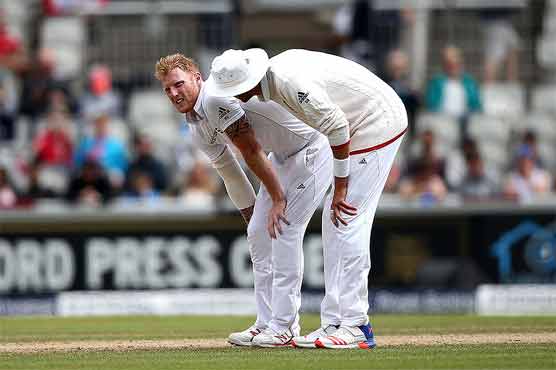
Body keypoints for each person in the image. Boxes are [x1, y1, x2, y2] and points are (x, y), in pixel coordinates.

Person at [207, 48, 407, 349]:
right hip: (359, 122)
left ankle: (356, 324)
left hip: (376, 121)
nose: (233, 98)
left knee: (346, 216)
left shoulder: (289, 83)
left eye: (234, 91)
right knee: (333, 219)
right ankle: (334, 322)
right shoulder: (273, 81)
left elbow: (338, 128)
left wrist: (340, 188)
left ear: (247, 84)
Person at [155, 53, 333, 347]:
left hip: (312, 148)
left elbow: (250, 149)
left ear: (197, 77)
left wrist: (277, 198)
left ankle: (285, 327)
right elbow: (230, 173)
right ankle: (266, 322)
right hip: (282, 158)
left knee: (284, 230)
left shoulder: (213, 98)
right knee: (258, 233)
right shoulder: (197, 126)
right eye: (167, 89)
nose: (174, 93)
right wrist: (252, 215)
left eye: (178, 84)